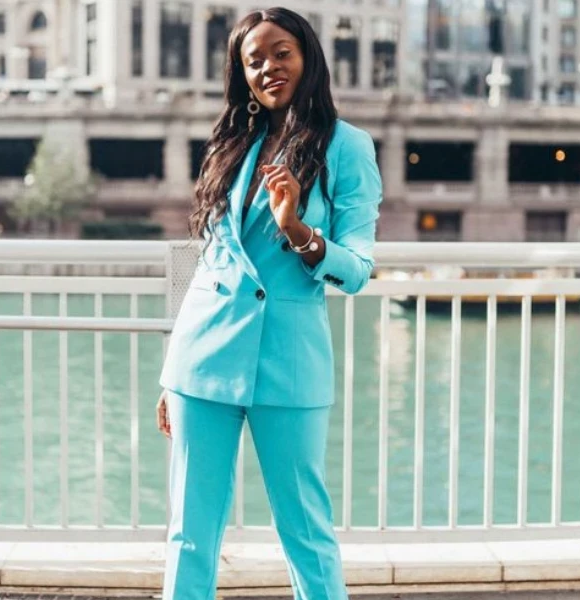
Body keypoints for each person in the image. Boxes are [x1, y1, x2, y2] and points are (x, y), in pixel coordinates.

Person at [155, 7, 383, 599]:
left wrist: (300, 231)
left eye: (281, 52)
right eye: (252, 60)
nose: (268, 68)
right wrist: (170, 374)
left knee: (305, 529)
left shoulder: (347, 147)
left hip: (290, 364)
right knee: (189, 532)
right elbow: (213, 263)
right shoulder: (234, 142)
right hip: (201, 363)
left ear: (308, 56)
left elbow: (358, 269)